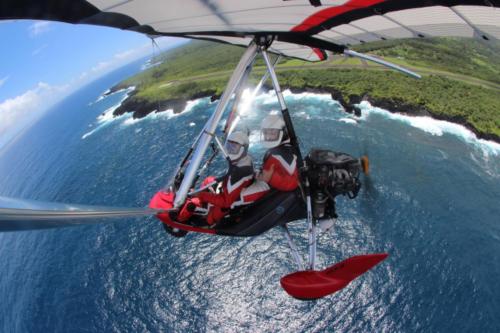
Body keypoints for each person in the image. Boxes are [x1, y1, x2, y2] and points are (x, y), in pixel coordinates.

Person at [178, 131, 254, 225]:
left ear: (243, 150)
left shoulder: (238, 173)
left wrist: (201, 195)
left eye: (234, 148)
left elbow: (226, 202)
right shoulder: (245, 159)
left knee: (192, 205)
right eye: (229, 146)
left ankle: (181, 220)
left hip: (226, 205)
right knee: (208, 180)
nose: (229, 150)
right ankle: (201, 202)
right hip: (229, 190)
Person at [236, 114, 299, 205]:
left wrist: (265, 176)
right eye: (266, 133)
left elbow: (293, 182)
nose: (268, 137)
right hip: (272, 179)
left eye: (272, 133)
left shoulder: (279, 154)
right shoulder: (282, 148)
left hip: (269, 186)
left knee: (238, 198)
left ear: (283, 133)